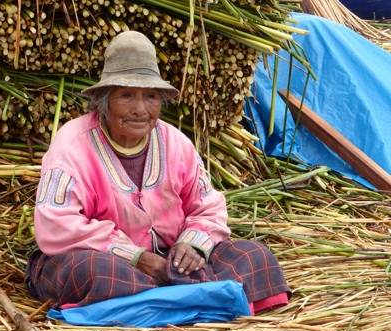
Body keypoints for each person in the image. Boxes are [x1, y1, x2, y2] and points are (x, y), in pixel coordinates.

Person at [25, 31, 291, 314]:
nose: (140, 109)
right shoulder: (73, 145)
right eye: (126, 96)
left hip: (169, 260)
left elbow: (208, 208)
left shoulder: (175, 143)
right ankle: (193, 297)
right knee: (94, 273)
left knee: (255, 257)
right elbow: (56, 224)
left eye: (150, 97)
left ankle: (162, 301)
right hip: (107, 260)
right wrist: (136, 257)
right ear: (104, 101)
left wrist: (193, 245)